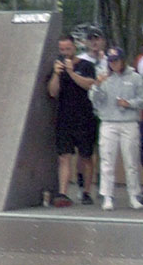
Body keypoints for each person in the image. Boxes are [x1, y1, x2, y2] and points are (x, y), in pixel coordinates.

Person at [88, 48, 143, 211]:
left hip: (129, 122)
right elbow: (94, 100)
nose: (114, 64)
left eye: (116, 60)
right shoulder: (104, 77)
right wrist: (97, 85)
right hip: (108, 122)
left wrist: (130, 103)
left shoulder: (134, 77)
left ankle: (134, 195)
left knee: (131, 161)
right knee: (107, 161)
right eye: (111, 61)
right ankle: (107, 195)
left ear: (122, 60)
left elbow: (141, 98)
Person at [48, 35, 98, 207]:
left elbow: (89, 84)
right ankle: (63, 192)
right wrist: (57, 74)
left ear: (74, 48)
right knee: (64, 156)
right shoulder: (57, 67)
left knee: (85, 156)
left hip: (84, 117)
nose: (65, 53)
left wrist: (71, 72)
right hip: (64, 117)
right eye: (62, 50)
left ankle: (86, 191)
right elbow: (53, 92)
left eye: (68, 49)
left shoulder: (86, 65)